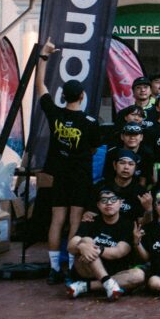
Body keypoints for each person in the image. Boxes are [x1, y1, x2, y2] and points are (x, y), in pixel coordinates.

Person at [35, 38, 103, 284]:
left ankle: (54, 269)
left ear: (62, 96)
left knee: (56, 220)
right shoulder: (91, 122)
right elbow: (94, 149)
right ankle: (73, 268)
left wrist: (44, 56)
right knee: (75, 220)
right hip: (80, 175)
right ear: (82, 96)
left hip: (59, 174)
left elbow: (40, 85)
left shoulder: (55, 113)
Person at [65, 187, 145, 300]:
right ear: (98, 205)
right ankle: (108, 283)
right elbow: (70, 246)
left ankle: (86, 286)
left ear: (120, 203)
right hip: (88, 270)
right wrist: (82, 246)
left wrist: (98, 250)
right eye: (104, 200)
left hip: (115, 273)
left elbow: (120, 251)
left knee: (139, 275)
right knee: (86, 240)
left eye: (113, 199)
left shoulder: (128, 225)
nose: (109, 203)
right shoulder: (90, 221)